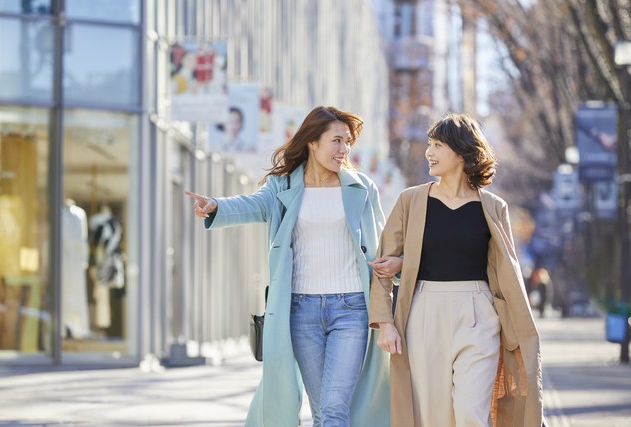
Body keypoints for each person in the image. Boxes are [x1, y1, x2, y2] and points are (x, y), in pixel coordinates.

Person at [186, 106, 401, 427]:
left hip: (352, 309)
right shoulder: (283, 187)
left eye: (348, 142)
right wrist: (216, 206)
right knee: (321, 410)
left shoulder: (362, 188)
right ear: (312, 142)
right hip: (301, 311)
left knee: (333, 407)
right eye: (337, 140)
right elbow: (253, 204)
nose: (344, 149)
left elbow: (381, 246)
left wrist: (392, 271)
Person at [369, 113, 544, 427]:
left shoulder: (493, 207)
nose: (429, 152)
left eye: (438, 145)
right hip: (423, 312)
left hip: (478, 314)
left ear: (462, 153)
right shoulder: (411, 201)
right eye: (429, 144)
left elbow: (507, 274)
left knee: (470, 414)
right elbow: (383, 264)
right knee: (431, 417)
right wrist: (384, 324)